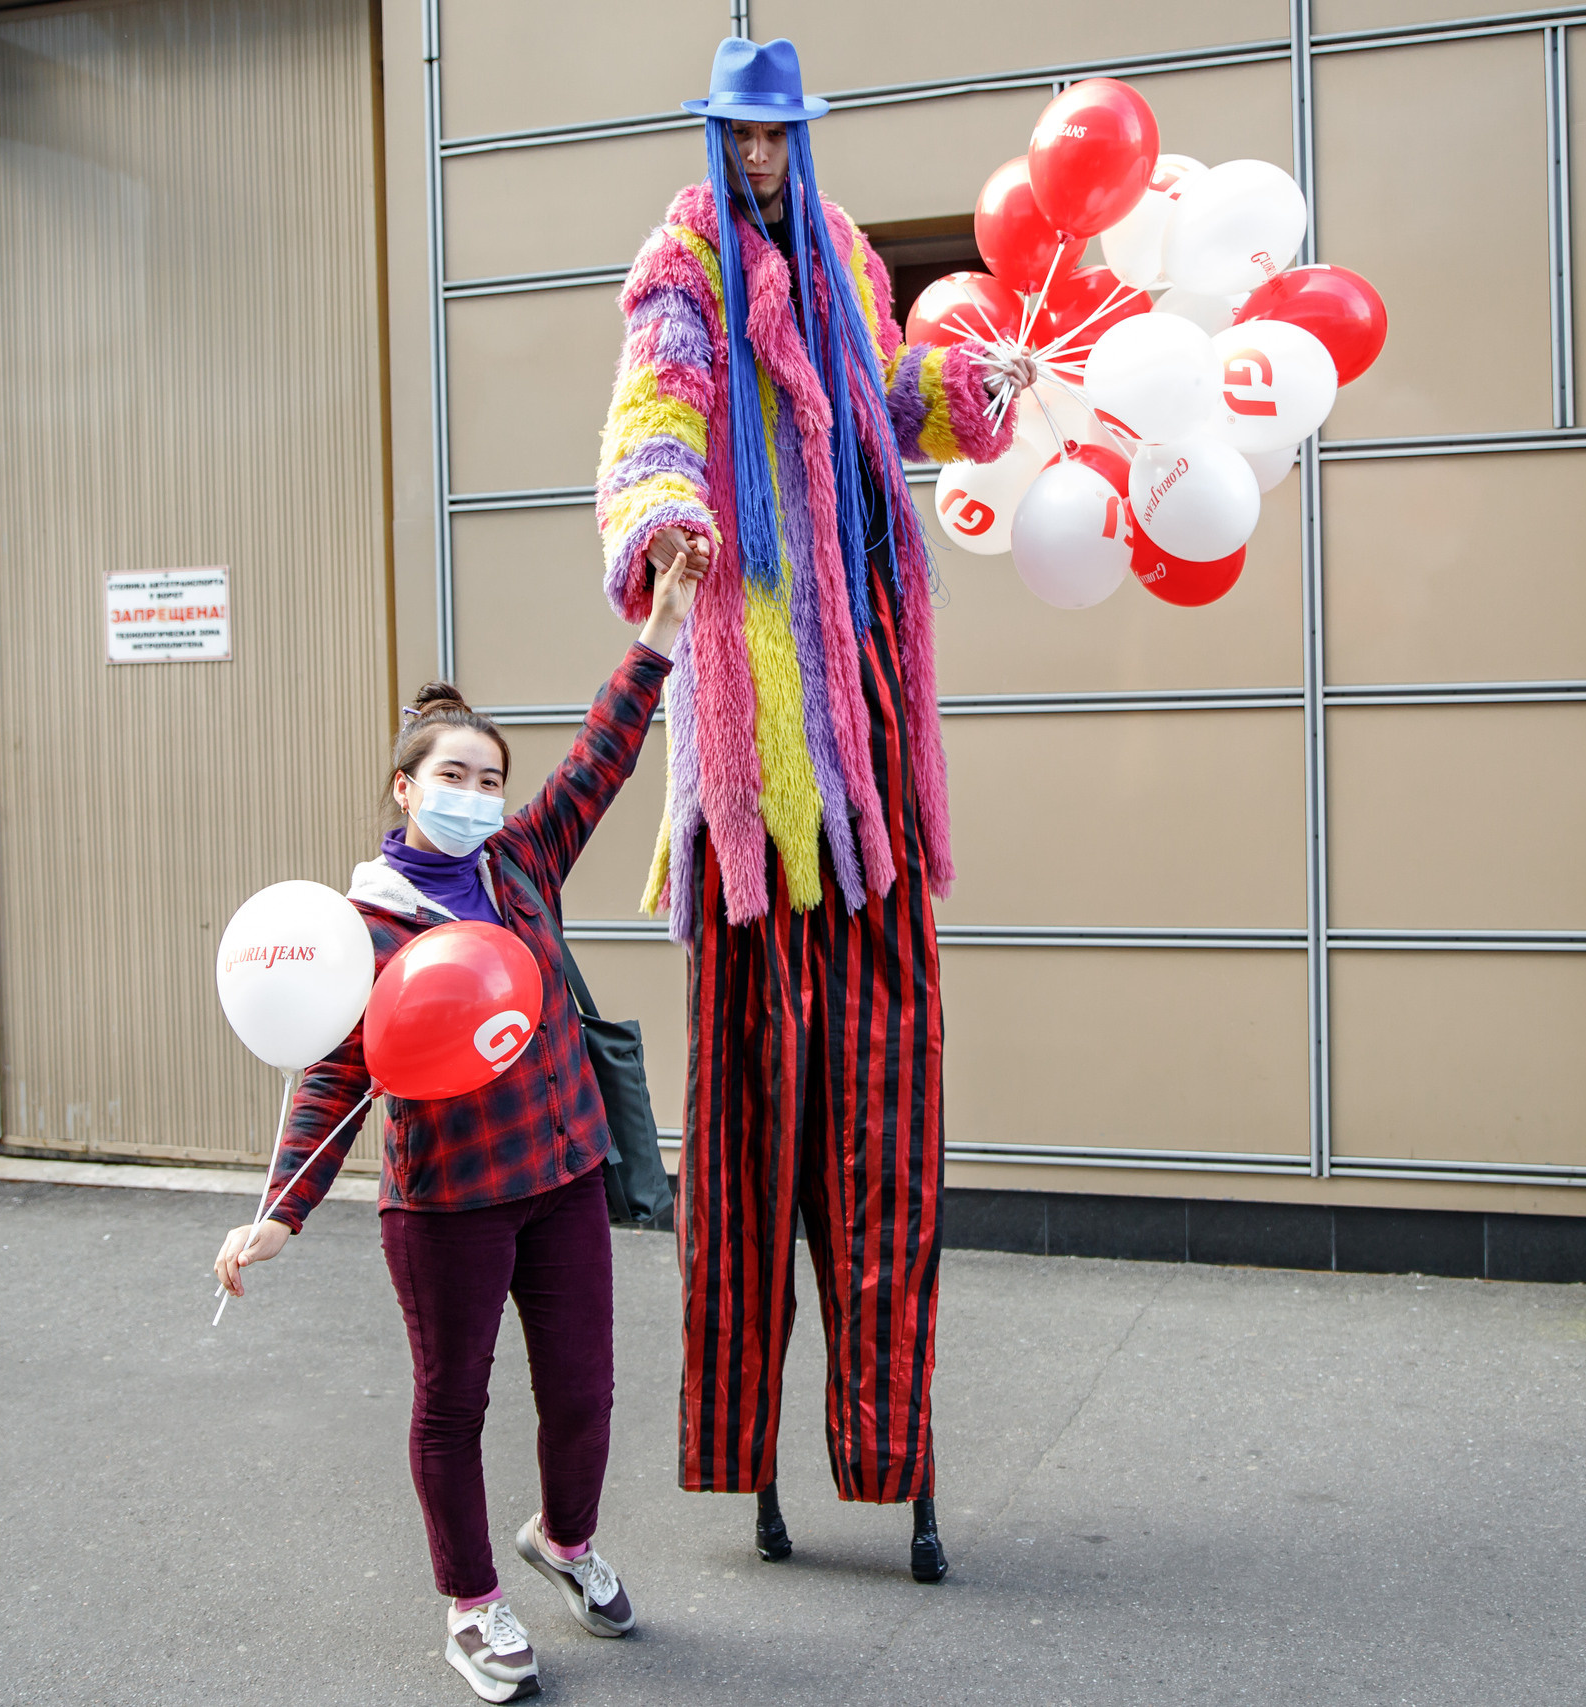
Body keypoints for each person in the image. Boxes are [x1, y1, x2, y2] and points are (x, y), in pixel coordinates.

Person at [594, 35, 1033, 1583]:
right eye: (746, 136)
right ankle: (742, 1445)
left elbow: (882, 401)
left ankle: (885, 1447)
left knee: (883, 1131)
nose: (765, 159)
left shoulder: (845, 253)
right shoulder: (684, 263)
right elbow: (653, 411)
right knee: (746, 1138)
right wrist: (667, 514)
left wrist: (969, 385)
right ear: (718, 138)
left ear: (804, 137)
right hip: (757, 771)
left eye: (782, 135)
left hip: (870, 744)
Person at [210, 543, 705, 1704]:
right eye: (455, 777)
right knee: (455, 1404)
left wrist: (664, 627)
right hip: (446, 1206)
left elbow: (603, 758)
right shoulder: (359, 926)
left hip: (564, 1173)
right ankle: (471, 1611)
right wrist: (278, 1216)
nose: (478, 796)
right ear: (403, 787)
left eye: (490, 778)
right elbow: (329, 1079)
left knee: (584, 1388)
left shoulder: (524, 862)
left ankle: (565, 1541)